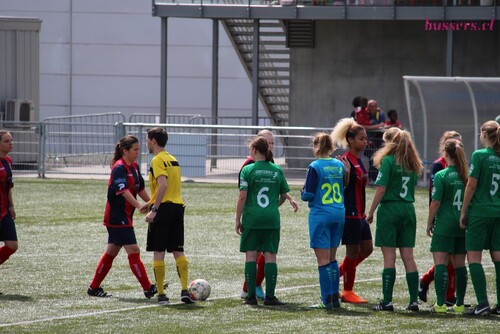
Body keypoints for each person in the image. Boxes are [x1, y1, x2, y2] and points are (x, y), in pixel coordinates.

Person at [87, 135, 157, 299]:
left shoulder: (133, 165)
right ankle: (148, 288)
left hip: (124, 216)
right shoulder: (119, 167)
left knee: (111, 252)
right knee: (133, 250)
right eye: (135, 150)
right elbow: (123, 191)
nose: (138, 152)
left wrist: (153, 203)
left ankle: (94, 287)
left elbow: (139, 189)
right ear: (124, 151)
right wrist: (139, 205)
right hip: (117, 217)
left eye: (139, 149)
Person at [235, 135, 297, 306]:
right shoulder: (276, 170)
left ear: (254, 150)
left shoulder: (248, 170)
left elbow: (242, 196)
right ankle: (270, 297)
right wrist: (273, 206)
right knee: (270, 256)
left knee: (251, 255)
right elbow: (284, 195)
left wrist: (237, 219)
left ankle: (251, 297)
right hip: (271, 218)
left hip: (252, 218)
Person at [367, 129, 423, 312]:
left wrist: (371, 212)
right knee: (409, 257)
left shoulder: (388, 161)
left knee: (389, 257)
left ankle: (387, 301)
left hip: (390, 209)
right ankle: (414, 301)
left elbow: (381, 189)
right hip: (408, 209)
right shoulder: (411, 163)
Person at [144, 127, 194, 305]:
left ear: (154, 141)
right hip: (177, 207)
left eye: (147, 139)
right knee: (177, 250)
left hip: (163, 209)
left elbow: (163, 185)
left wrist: (154, 209)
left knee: (159, 251)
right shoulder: (173, 159)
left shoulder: (157, 160)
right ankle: (184, 290)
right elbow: (169, 188)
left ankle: (161, 294)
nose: (146, 143)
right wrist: (149, 202)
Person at [301, 133, 350, 309]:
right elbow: (344, 184)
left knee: (322, 261)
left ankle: (326, 300)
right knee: (332, 259)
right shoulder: (338, 164)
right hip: (339, 213)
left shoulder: (314, 166)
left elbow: (308, 195)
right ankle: (334, 298)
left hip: (321, 214)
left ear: (315, 146)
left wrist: (302, 192)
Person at [459, 120, 500, 316]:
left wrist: (463, 210)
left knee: (474, 256)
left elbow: (471, 185)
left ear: (484, 134)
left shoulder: (480, 155)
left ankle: (482, 303)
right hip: (498, 212)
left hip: (481, 212)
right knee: (498, 257)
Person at [330, 118, 373, 304]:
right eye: (361, 139)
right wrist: (345, 173)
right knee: (352, 253)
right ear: (350, 140)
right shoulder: (344, 161)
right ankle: (347, 291)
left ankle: (337, 274)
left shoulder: (359, 161)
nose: (365, 142)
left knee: (367, 249)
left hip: (360, 215)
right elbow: (341, 188)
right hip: (350, 214)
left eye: (365, 139)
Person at [419, 131, 462, 305]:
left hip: (456, 216)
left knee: (453, 259)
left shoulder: (462, 167)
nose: (460, 148)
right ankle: (445, 295)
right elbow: (433, 195)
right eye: (457, 144)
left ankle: (443, 292)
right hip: (444, 216)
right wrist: (433, 219)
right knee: (448, 259)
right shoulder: (439, 166)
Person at [426, 139, 469, 314]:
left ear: (445, 153)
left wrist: (429, 223)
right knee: (460, 265)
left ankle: (441, 304)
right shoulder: (466, 175)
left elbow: (435, 202)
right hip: (462, 225)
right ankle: (459, 304)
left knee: (441, 263)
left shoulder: (442, 175)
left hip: (444, 224)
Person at [0, 131, 17, 289]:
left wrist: (11, 206)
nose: (10, 143)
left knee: (12, 245)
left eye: (11, 140)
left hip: (4, 210)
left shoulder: (8, 161)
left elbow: (8, 187)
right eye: (7, 141)